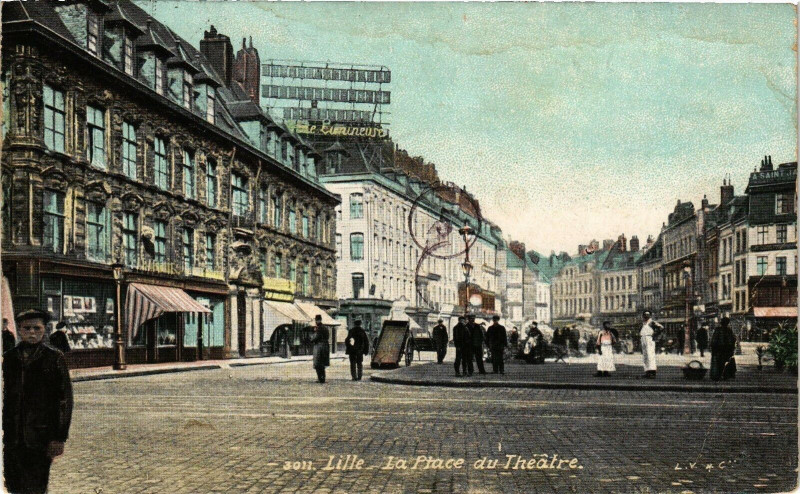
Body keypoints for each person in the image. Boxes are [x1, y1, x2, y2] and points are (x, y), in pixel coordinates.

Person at [4, 309, 73, 494]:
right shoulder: (9, 358)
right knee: (12, 486)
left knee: (36, 486)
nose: (32, 333)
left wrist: (59, 437)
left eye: (37, 328)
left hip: (41, 437)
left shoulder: (54, 358)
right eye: (27, 328)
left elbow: (65, 400)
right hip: (11, 438)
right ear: (19, 329)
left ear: (45, 330)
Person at [640, 311, 663, 379]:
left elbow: (661, 327)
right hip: (643, 338)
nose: (646, 316)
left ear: (650, 315)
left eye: (648, 315)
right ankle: (647, 371)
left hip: (649, 339)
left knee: (650, 355)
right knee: (645, 356)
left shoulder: (652, 322)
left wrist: (655, 334)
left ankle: (652, 372)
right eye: (645, 315)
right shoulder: (643, 323)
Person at [310, 315, 330, 383]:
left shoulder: (319, 328)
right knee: (322, 363)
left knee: (318, 363)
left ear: (318, 320)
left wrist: (311, 339)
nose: (316, 321)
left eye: (316, 320)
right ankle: (322, 378)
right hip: (325, 346)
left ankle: (320, 378)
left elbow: (316, 337)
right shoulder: (325, 328)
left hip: (319, 346)